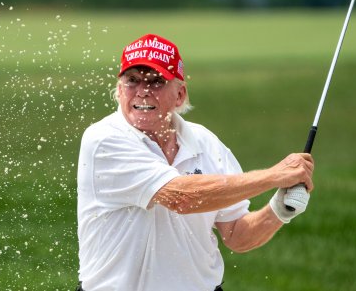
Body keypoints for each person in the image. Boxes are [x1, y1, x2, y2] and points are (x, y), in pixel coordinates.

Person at [76, 34, 314, 291]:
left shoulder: (205, 142)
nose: (143, 90)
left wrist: (279, 209)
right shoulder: (104, 139)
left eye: (156, 81)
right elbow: (182, 197)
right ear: (120, 90)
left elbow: (236, 234)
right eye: (132, 80)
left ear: (179, 94)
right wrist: (275, 176)